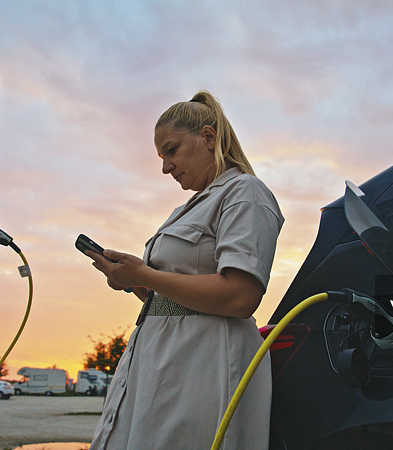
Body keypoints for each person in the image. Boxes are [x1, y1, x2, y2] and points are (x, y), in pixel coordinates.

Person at [87, 90, 284, 449]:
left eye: (172, 150)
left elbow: (240, 296)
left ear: (208, 138)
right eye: (161, 157)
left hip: (202, 364)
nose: (165, 167)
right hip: (157, 358)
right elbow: (171, 296)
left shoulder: (245, 193)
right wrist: (130, 281)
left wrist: (144, 274)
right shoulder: (185, 209)